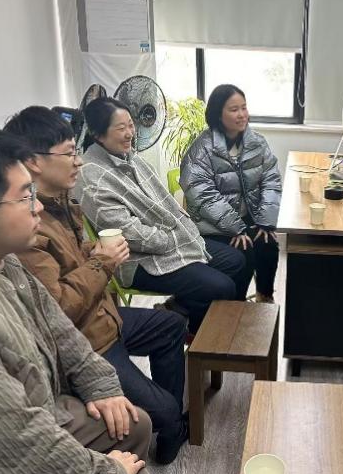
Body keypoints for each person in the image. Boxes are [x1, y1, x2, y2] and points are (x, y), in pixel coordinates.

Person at [0, 124, 154, 474]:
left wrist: (100, 384)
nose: (39, 206)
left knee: (133, 422)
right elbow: (15, 445)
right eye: (26, 197)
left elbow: (58, 326)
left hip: (37, 405)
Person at [4, 106, 189, 464]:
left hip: (104, 317)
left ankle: (164, 413)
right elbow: (57, 309)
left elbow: (70, 262)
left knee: (172, 325)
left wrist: (94, 252)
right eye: (70, 153)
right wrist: (102, 261)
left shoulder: (61, 202)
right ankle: (168, 421)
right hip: (88, 342)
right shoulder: (27, 226)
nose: (79, 161)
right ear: (34, 162)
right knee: (167, 411)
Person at [75, 97, 248, 333]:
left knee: (236, 261)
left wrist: (180, 230)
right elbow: (127, 232)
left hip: (169, 238)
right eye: (121, 128)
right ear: (98, 135)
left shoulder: (130, 156)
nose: (130, 133)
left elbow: (165, 203)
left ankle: (181, 309)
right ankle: (197, 336)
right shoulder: (91, 175)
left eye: (130, 125)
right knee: (221, 287)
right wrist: (171, 237)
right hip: (137, 259)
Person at [180, 84, 282, 303]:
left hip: (247, 219)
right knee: (245, 250)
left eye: (244, 107)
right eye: (234, 109)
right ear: (218, 114)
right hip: (211, 225)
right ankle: (234, 306)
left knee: (268, 243)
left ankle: (265, 299)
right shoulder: (202, 148)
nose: (242, 114)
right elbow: (202, 195)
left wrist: (265, 222)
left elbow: (271, 180)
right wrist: (236, 227)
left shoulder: (257, 143)